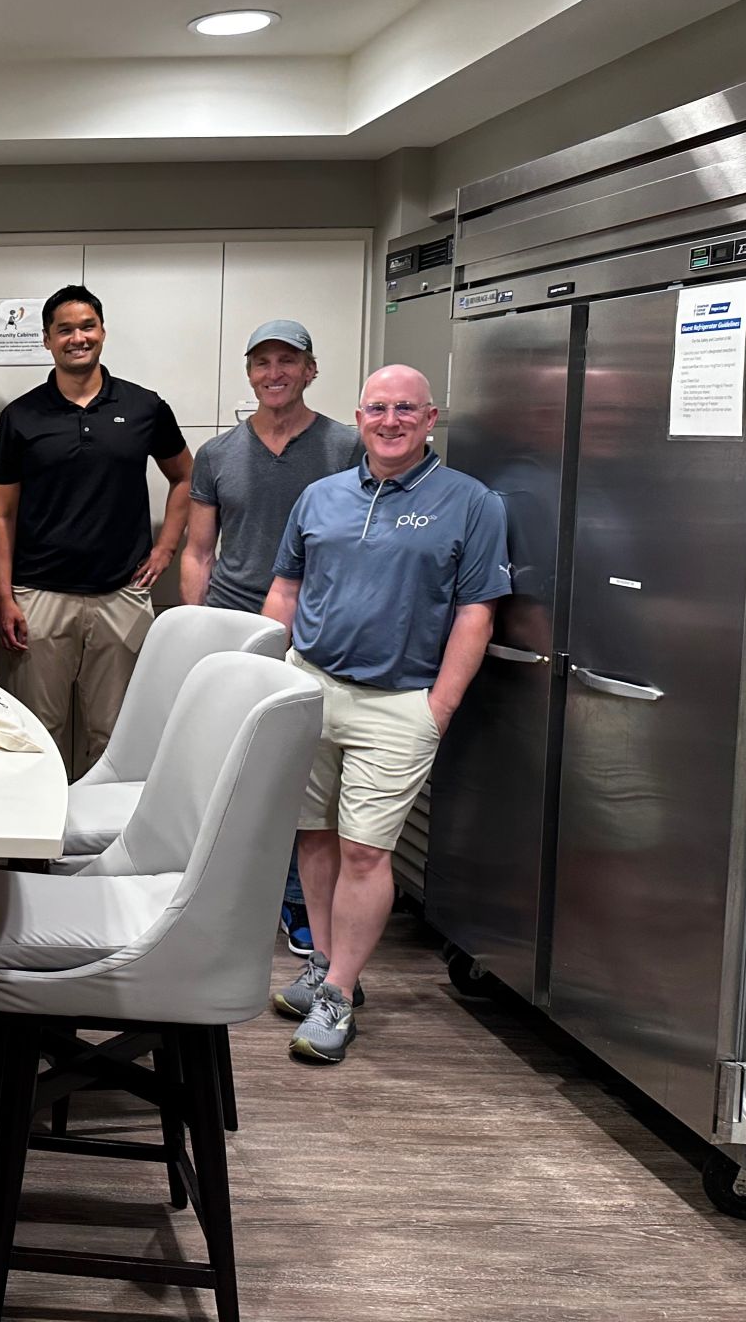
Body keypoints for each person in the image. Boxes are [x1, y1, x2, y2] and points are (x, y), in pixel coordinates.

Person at [263, 364, 509, 1065]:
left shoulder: (470, 503)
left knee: (366, 850)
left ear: (431, 419)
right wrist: (265, 672)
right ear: (360, 416)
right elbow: (287, 586)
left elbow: (476, 613)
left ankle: (339, 993)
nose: (391, 421)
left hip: (399, 703)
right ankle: (324, 966)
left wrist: (438, 708)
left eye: (407, 409)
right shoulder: (321, 496)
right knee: (311, 835)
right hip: (307, 687)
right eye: (379, 408)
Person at [180, 319, 360, 958]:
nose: (274, 373)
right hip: (237, 630)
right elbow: (199, 550)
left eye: (288, 361)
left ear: (311, 370)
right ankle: (229, 893)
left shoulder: (346, 445)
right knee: (234, 772)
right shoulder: (219, 455)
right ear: (250, 373)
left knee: (302, 776)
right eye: (263, 363)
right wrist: (196, 630)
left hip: (318, 634)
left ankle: (295, 900)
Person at [0, 286, 192, 779]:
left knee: (117, 733)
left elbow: (186, 477)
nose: (77, 338)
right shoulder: (22, 415)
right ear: (46, 340)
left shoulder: (144, 407)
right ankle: (39, 853)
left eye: (87, 327)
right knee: (37, 733)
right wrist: (4, 596)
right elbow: (1, 514)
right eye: (65, 329)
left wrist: (165, 548)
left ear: (102, 332)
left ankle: (104, 851)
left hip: (121, 594)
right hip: (39, 595)